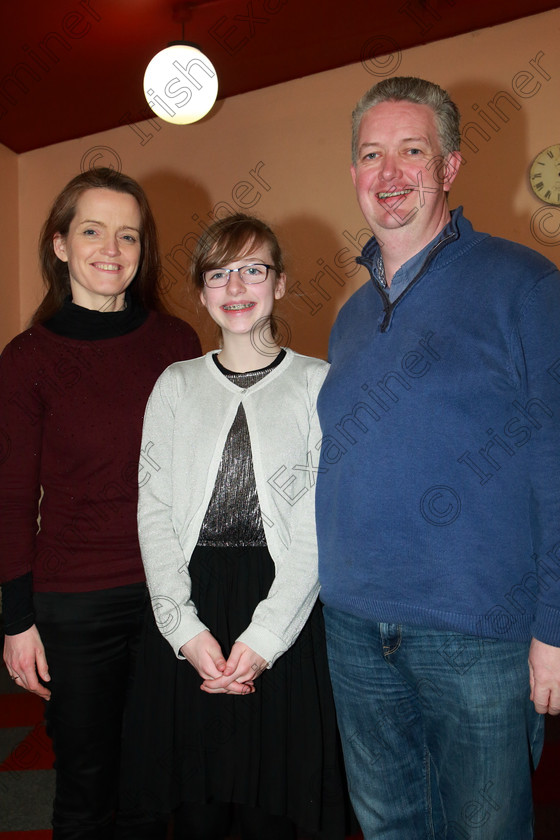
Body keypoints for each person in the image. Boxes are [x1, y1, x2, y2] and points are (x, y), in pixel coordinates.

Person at [316, 76, 560, 839]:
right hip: (354, 626)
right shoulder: (350, 317)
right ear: (354, 174)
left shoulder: (525, 285)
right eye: (371, 155)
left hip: (478, 634)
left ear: (449, 166)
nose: (389, 175)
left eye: (412, 151)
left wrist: (553, 627)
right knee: (388, 827)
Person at [119, 213, 348, 840]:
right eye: (219, 272)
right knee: (196, 808)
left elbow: (315, 521)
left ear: (279, 283)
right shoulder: (175, 384)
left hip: (285, 611)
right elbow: (154, 511)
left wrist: (266, 637)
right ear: (201, 292)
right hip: (191, 610)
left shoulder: (316, 382)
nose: (237, 284)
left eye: (254, 268)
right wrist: (183, 629)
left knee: (274, 807)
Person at [0, 167, 201, 840]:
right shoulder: (28, 358)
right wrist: (15, 619)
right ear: (60, 244)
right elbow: (9, 495)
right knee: (87, 790)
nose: (111, 249)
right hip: (75, 602)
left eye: (128, 236)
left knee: (157, 783)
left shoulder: (176, 345)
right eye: (92, 230)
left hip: (169, 593)